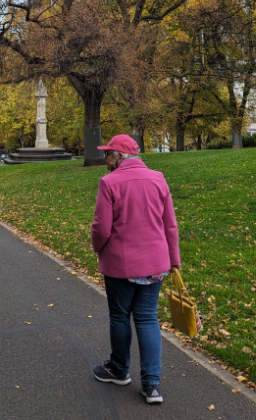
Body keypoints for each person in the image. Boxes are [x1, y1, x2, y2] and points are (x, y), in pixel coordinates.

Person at [90, 134, 180, 405]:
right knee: (147, 318)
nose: (106, 159)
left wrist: (97, 248)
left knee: (119, 316)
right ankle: (152, 385)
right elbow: (170, 225)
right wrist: (174, 260)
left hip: (121, 264)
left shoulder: (109, 183)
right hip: (155, 264)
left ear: (119, 156)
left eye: (109, 154)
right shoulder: (158, 178)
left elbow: (101, 228)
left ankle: (119, 369)